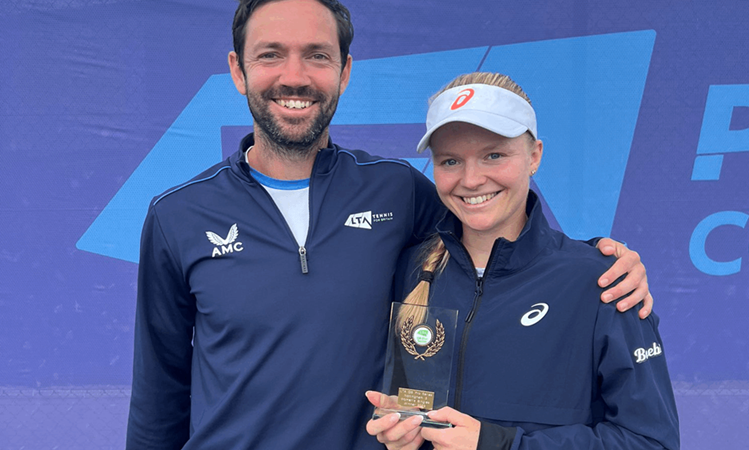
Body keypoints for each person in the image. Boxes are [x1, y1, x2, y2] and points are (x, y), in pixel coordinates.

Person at [126, 1, 654, 448]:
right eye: (270, 55)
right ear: (238, 70)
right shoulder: (179, 215)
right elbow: (159, 392)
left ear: (344, 72)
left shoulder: (397, 190)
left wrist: (602, 260)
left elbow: (494, 229)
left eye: (317, 56)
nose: (294, 76)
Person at [366, 73, 679, 450]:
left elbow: (651, 442)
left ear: (534, 156)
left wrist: (502, 445)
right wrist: (402, 435)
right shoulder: (411, 271)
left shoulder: (603, 280)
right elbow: (412, 407)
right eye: (450, 160)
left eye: (493, 155)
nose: (471, 179)